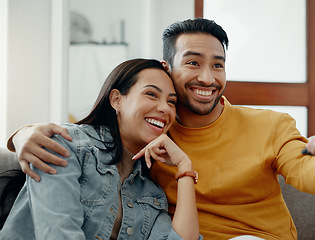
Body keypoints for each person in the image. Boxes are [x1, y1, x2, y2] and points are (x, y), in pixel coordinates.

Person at [8, 19, 315, 239]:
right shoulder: (147, 136)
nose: (207, 78)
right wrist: (21, 134)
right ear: (168, 66)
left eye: (218, 65)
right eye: (193, 63)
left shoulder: (270, 124)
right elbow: (79, 143)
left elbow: (311, 177)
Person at [1, 59, 201, 240]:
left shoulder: (150, 193)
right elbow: (58, 233)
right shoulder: (68, 145)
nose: (165, 108)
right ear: (116, 100)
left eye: (171, 102)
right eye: (151, 94)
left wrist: (184, 167)